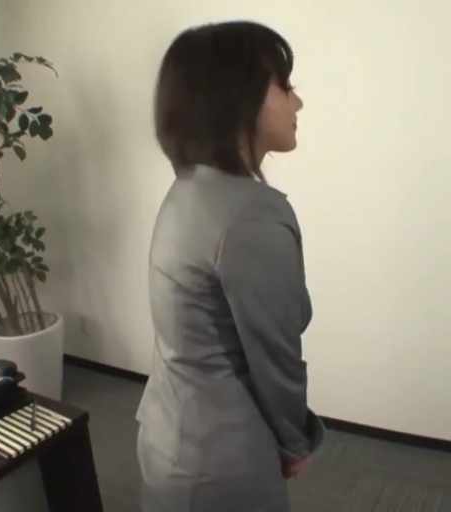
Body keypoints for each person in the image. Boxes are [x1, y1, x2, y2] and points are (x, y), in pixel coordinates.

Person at [135, 20, 325, 512]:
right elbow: (276, 354)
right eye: (286, 87)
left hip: (169, 433)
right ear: (239, 98)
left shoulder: (188, 189)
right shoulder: (250, 213)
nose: (298, 103)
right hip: (221, 461)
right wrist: (296, 441)